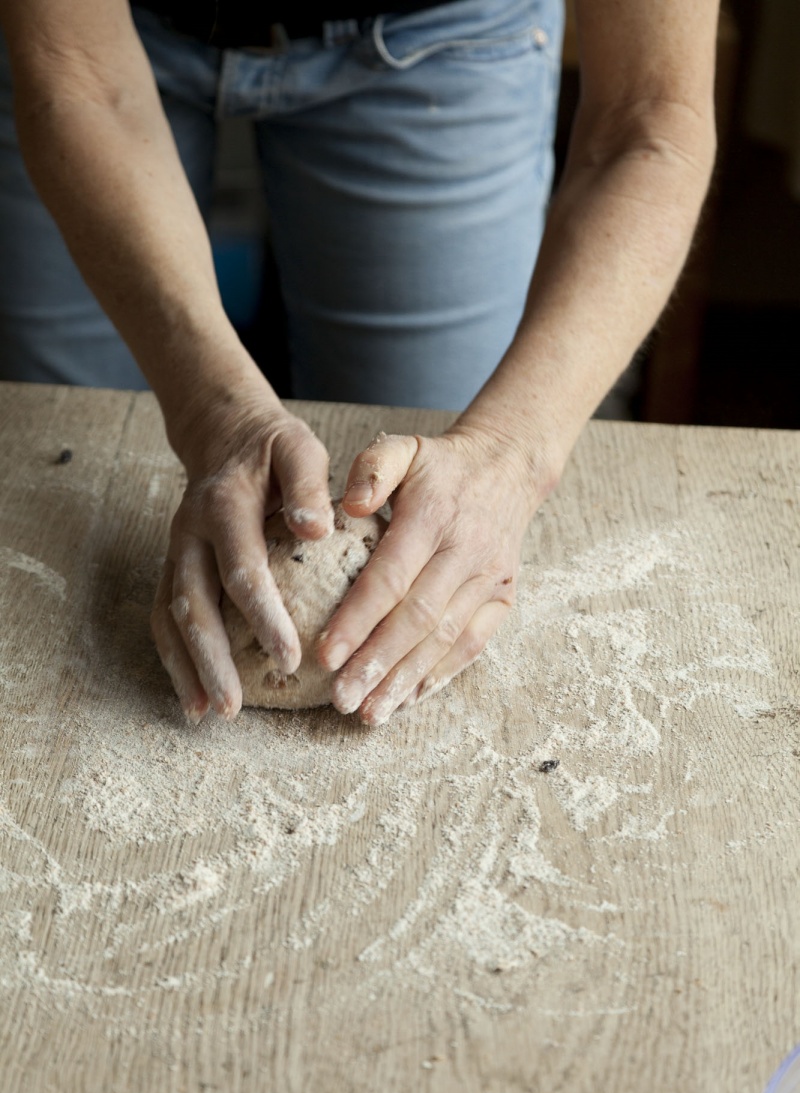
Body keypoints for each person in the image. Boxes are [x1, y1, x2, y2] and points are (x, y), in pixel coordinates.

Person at [0, 0, 719, 726]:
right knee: (72, 450)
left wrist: (510, 452)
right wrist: (211, 409)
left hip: (440, 34)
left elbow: (650, 124)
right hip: (99, 44)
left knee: (428, 541)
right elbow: (80, 78)